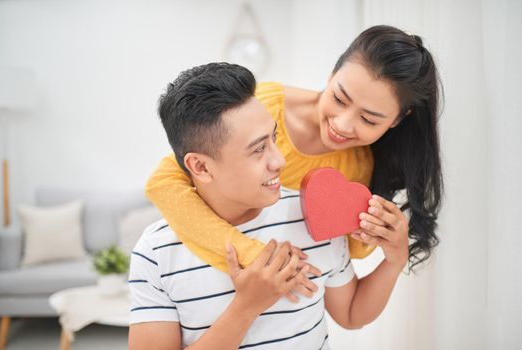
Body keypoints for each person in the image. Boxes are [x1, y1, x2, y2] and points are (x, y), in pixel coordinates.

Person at [128, 62, 409, 349]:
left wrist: (394, 260)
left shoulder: (314, 215)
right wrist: (247, 307)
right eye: (258, 149)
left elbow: (351, 315)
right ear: (200, 166)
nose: (280, 161)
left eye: (273, 138)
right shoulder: (156, 253)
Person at [145, 24, 442, 272]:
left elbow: (343, 254)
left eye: (368, 119)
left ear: (398, 120)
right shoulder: (264, 106)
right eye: (339, 98)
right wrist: (252, 255)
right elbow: (164, 181)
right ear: (332, 75)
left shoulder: (358, 168)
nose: (342, 124)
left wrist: (376, 232)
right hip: (203, 264)